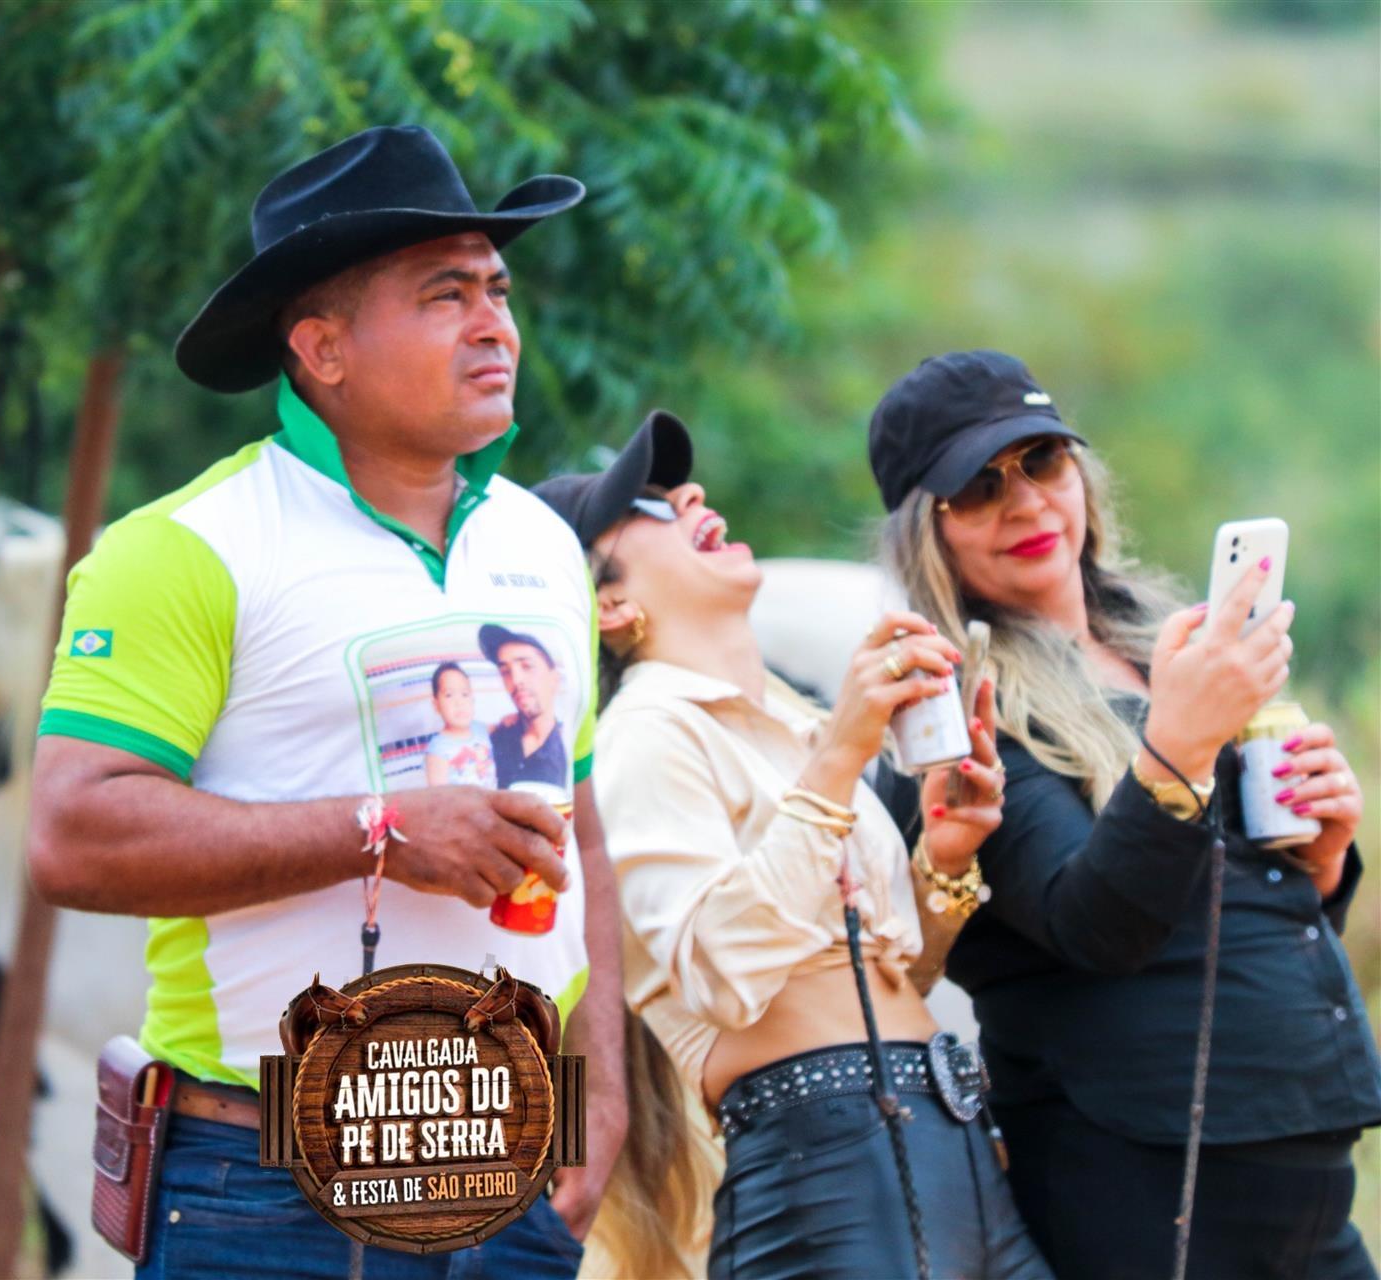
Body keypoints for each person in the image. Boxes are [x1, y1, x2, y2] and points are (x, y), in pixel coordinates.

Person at [28, 125, 626, 1278]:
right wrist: (382, 830)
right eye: (446, 294)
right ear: (322, 347)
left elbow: (583, 837)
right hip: (270, 1181)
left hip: (516, 1164)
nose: (495, 324)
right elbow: (71, 833)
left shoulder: (545, 544)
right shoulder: (187, 547)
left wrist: (600, 1095)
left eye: (498, 290)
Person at [869, 349, 1380, 1279]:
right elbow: (1096, 927)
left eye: (1043, 462)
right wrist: (1181, 747)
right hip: (1141, 1177)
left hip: (1298, 1159)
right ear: (924, 533)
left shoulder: (1166, 639)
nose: (1028, 504)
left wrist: (1324, 864)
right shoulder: (960, 710)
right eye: (980, 488)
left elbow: (1229, 917)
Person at [535, 411, 1051, 1280]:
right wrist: (842, 758)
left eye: (680, 487)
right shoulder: (644, 735)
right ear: (610, 604)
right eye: (649, 506)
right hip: (832, 1167)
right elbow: (722, 968)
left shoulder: (796, 724)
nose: (690, 496)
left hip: (945, 1134)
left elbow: (888, 980)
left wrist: (945, 859)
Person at [481, 625, 570, 790]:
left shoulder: (569, 744)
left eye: (527, 666)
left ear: (554, 679)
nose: (516, 680)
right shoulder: (493, 738)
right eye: (505, 672)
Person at [424, 661, 497, 788]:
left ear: (473, 700)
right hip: (461, 801)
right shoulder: (438, 749)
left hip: (492, 799)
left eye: (465, 694)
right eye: (449, 695)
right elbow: (438, 795)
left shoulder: (481, 729)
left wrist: (509, 719)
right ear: (436, 705)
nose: (459, 702)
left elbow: (504, 727)